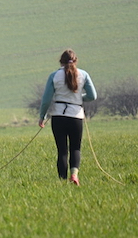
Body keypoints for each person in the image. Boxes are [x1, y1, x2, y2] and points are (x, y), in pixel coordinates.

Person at [38, 49, 97, 185]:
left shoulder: (54, 76)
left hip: (58, 116)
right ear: (75, 61)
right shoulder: (83, 74)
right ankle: (74, 175)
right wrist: (78, 98)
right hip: (76, 116)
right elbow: (92, 96)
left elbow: (46, 99)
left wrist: (43, 116)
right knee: (75, 148)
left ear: (61, 62)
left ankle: (62, 180)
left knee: (62, 150)